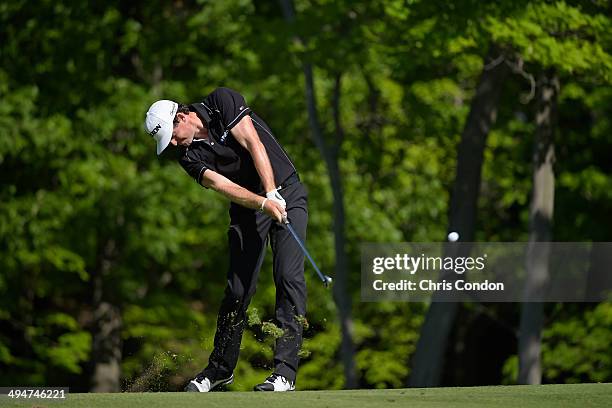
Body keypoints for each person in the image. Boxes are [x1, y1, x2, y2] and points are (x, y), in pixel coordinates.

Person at [144, 87, 308, 392]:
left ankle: (285, 372)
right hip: (249, 207)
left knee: (288, 277)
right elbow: (221, 184)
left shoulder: (221, 102)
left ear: (181, 117)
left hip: (286, 190)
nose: (175, 145)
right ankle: (220, 369)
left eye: (174, 136)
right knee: (237, 289)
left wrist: (272, 193)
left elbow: (253, 142)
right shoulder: (188, 156)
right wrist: (262, 203)